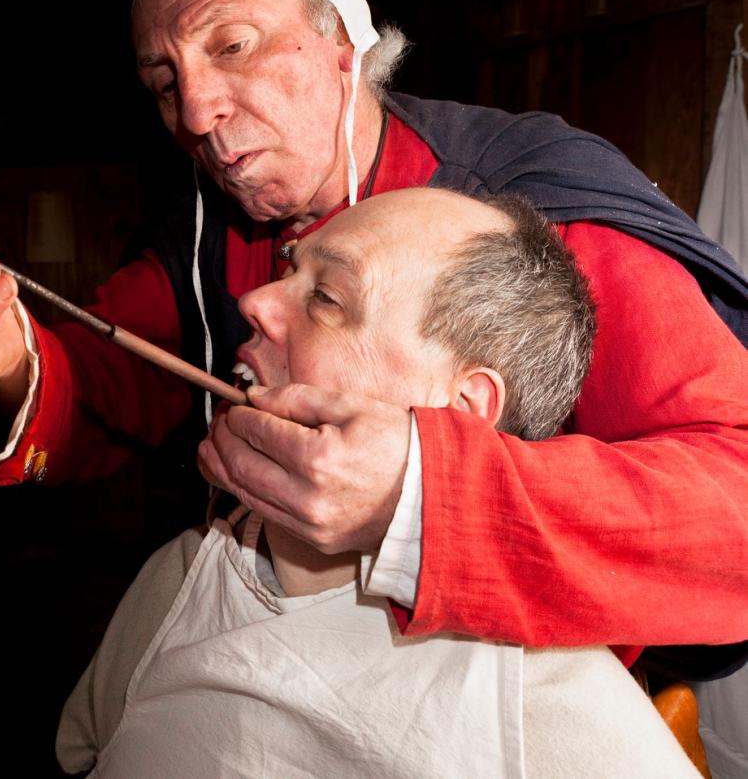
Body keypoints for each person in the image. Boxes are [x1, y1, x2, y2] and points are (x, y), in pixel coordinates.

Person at [0, 0, 748, 660]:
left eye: (233, 45)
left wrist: (421, 496)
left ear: (341, 44)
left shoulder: (536, 209)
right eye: (163, 83)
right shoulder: (205, 231)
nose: (195, 113)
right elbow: (101, 376)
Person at [56, 187, 698, 778]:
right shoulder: (180, 577)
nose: (255, 301)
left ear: (460, 411)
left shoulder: (543, 694)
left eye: (327, 298)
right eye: (288, 270)